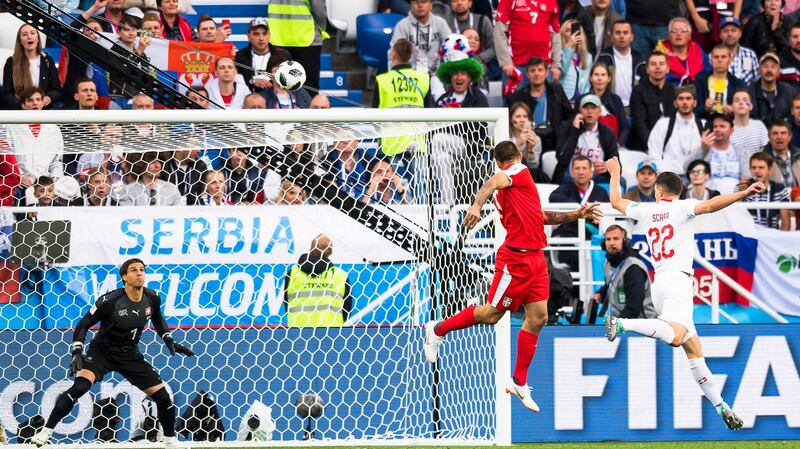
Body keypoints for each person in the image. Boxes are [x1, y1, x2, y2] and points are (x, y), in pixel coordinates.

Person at [423, 141, 601, 412]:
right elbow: (493, 181)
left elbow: (540, 216)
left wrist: (576, 214)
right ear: (517, 157)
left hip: (536, 260)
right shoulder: (519, 171)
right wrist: (475, 206)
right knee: (492, 315)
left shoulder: (518, 187)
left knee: (539, 316)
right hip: (514, 261)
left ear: (496, 160)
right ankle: (437, 329)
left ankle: (518, 380)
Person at [605, 155, 754, 432]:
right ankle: (622, 323)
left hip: (660, 279)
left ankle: (722, 406)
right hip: (678, 280)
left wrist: (615, 173)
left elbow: (615, 202)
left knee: (692, 348)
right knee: (674, 336)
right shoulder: (684, 207)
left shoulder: (646, 210)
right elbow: (710, 205)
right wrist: (742, 192)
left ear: (659, 190)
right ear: (680, 191)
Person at [30, 258, 194, 448]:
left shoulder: (152, 298)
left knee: (163, 398)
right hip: (102, 353)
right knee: (79, 388)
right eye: (134, 270)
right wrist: (76, 351)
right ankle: (45, 432)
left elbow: (158, 319)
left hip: (130, 354)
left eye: (142, 270)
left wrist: (169, 340)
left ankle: (170, 441)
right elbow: (83, 325)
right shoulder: (109, 301)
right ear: (124, 277)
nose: (139, 273)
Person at [549, 155, 610, 269]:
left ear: (591, 171)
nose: (581, 172)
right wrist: (582, 208)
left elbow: (606, 217)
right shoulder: (565, 189)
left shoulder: (601, 192)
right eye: (577, 168)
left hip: (593, 239)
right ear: (572, 172)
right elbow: (553, 198)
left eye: (584, 168)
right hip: (571, 241)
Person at [507, 57, 573, 154]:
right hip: (528, 142)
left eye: (540, 70)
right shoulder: (517, 97)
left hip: (554, 142)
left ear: (546, 73)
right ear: (527, 74)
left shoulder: (557, 91)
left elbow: (569, 116)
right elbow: (510, 123)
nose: (536, 73)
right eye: (532, 70)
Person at [283, 234, 352, 327]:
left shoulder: (293, 273)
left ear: (311, 248)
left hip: (298, 330)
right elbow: (346, 309)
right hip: (332, 331)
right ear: (330, 251)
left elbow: (287, 302)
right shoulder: (340, 275)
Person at [592, 225, 656, 320]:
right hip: (623, 322)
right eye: (608, 239)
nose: (611, 243)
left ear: (625, 242)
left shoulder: (633, 268)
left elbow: (634, 306)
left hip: (642, 324)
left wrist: (617, 325)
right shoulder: (608, 263)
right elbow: (610, 285)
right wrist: (601, 293)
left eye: (616, 239)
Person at [495, 0, 563, 86]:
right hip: (516, 67)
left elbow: (555, 34)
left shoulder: (551, 2)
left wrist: (556, 65)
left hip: (544, 68)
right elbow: (499, 33)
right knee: (515, 99)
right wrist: (505, 62)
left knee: (543, 99)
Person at [268, 0, 328, 96]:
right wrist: (322, 28)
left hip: (279, 36)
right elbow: (319, 10)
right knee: (309, 88)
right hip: (306, 38)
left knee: (279, 86)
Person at [554, 95, 618, 183]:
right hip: (570, 179)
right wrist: (575, 131)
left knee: (620, 182)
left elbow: (618, 166)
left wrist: (607, 167)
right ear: (580, 110)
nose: (589, 111)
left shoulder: (607, 132)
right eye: (586, 108)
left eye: (593, 108)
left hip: (596, 179)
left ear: (600, 111)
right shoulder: (567, 127)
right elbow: (562, 159)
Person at [9, 87, 64, 184]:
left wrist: (55, 179)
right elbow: (9, 158)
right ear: (23, 105)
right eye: (30, 100)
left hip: (47, 183)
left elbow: (57, 161)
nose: (35, 103)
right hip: (19, 182)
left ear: (42, 103)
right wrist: (20, 176)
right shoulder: (11, 127)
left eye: (38, 100)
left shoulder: (54, 129)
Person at [647, 86, 706, 174]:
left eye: (688, 99)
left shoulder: (704, 125)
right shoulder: (663, 125)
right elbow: (654, 155)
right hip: (669, 177)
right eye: (681, 99)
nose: (685, 102)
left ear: (695, 103)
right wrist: (668, 176)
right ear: (675, 103)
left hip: (696, 178)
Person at [2, 24, 62, 109]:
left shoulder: (48, 60)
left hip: (43, 113)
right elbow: (6, 93)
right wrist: (21, 105)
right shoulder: (11, 62)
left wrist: (49, 97)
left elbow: (57, 90)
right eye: (24, 34)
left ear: (38, 38)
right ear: (20, 41)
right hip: (20, 114)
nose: (29, 37)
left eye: (32, 33)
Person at [628, 52, 676, 151]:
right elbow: (640, 124)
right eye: (653, 64)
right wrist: (653, 147)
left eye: (661, 64)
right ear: (647, 69)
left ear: (667, 68)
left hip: (669, 146)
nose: (657, 67)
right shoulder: (638, 91)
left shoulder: (673, 90)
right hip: (642, 147)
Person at [596, 20, 646, 109]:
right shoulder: (604, 58)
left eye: (625, 33)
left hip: (634, 108)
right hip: (610, 108)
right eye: (618, 33)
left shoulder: (639, 60)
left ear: (632, 37)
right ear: (611, 37)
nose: (622, 36)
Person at [235, 18, 292, 93]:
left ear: (269, 35)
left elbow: (292, 79)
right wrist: (252, 81)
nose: (261, 38)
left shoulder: (283, 54)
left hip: (277, 99)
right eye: (256, 34)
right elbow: (235, 81)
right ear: (248, 36)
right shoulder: (240, 56)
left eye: (264, 34)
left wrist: (272, 81)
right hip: (250, 99)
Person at [741, 151, 792, 229]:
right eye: (754, 167)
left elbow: (786, 220)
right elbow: (735, 216)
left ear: (770, 169)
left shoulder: (780, 189)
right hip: (749, 237)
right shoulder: (742, 187)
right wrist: (741, 194)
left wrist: (781, 240)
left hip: (772, 237)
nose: (757, 171)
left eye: (761, 167)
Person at [694, 45, 746, 119]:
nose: (719, 60)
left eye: (723, 57)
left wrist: (733, 111)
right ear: (710, 61)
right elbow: (692, 111)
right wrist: (705, 108)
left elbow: (747, 110)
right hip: (705, 123)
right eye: (716, 57)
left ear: (730, 60)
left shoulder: (738, 84)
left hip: (730, 124)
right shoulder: (700, 82)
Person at [655, 18, 711, 86]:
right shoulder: (659, 54)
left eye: (683, 31)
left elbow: (708, 75)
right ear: (669, 35)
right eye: (674, 31)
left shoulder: (698, 52)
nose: (678, 34)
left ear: (690, 35)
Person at [443, 0, 496, 73]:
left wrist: (479, 58)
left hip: (479, 68)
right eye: (455, 1)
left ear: (470, 3)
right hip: (454, 69)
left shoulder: (483, 21)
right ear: (451, 5)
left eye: (463, 0)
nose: (459, 3)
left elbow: (494, 47)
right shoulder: (445, 24)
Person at [702, 112, 750, 193]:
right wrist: (702, 150)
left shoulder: (742, 152)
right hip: (709, 202)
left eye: (722, 126)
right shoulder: (704, 148)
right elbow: (688, 169)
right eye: (715, 126)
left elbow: (747, 177)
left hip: (735, 201)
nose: (717, 129)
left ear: (731, 130)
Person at [581, 62, 627, 143]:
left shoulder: (615, 100)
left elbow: (625, 127)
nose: (599, 78)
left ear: (609, 78)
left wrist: (619, 143)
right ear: (590, 78)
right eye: (596, 74)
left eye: (603, 75)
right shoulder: (582, 99)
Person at [117, 152, 184, 206]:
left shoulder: (172, 189)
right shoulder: (128, 191)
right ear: (140, 164)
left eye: (159, 162)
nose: (157, 166)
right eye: (152, 162)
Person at [750, 53, 796, 122]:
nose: (769, 70)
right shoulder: (749, 92)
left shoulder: (790, 92)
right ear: (758, 70)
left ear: (778, 71)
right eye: (765, 66)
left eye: (773, 66)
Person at [508, 102, 543, 181]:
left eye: (525, 116)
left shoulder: (536, 139)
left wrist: (530, 149)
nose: (522, 120)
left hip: (530, 178)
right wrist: (517, 145)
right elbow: (508, 166)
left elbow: (533, 166)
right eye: (518, 116)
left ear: (529, 120)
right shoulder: (506, 139)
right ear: (511, 119)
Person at [730, 89, 768, 160]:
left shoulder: (759, 125)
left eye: (745, 100)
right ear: (732, 107)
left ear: (750, 106)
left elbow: (766, 149)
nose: (741, 103)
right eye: (737, 100)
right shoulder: (728, 129)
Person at [560, 20, 593, 102]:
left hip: (580, 101)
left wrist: (585, 100)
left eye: (574, 30)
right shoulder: (558, 53)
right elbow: (562, 71)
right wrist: (569, 46)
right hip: (564, 100)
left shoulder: (588, 57)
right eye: (567, 30)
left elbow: (587, 83)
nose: (571, 33)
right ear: (562, 34)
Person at [718, 17, 758, 84]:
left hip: (747, 93)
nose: (729, 34)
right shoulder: (714, 56)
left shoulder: (749, 55)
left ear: (740, 34)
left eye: (733, 30)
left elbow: (757, 79)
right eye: (725, 31)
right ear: (720, 35)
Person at [761, 120, 800, 188]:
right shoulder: (760, 158)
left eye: (783, 133)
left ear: (790, 137)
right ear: (769, 138)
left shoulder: (798, 155)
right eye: (775, 133)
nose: (779, 137)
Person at [75, 0, 140, 34]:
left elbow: (148, 35)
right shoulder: (94, 22)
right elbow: (69, 33)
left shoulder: (137, 21)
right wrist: (95, 7)